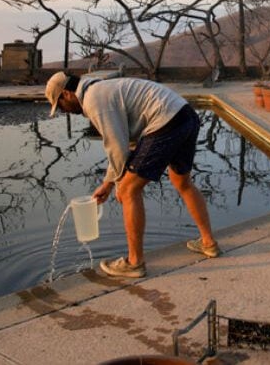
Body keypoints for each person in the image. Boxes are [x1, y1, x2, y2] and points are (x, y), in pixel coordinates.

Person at [45, 71, 220, 278]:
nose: (65, 111)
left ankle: (134, 263)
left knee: (128, 190)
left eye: (61, 106)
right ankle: (208, 243)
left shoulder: (93, 99)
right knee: (181, 181)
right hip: (185, 116)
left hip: (165, 120)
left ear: (66, 94)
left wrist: (116, 184)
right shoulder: (101, 89)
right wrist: (110, 182)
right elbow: (125, 143)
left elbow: (117, 149)